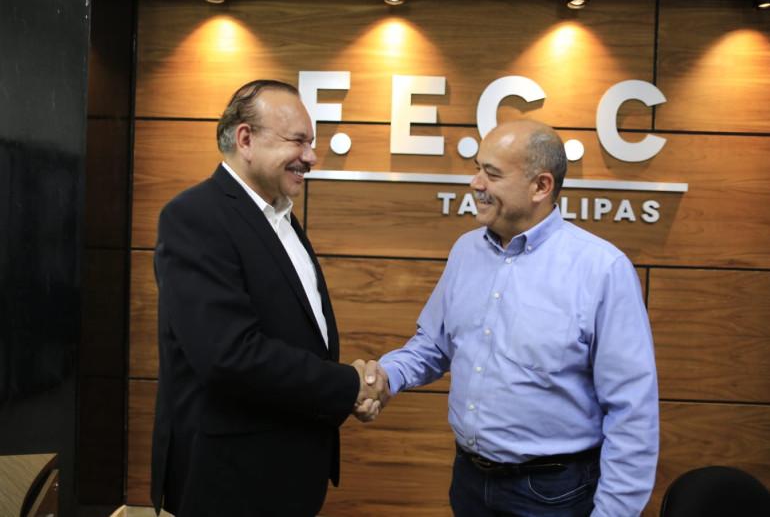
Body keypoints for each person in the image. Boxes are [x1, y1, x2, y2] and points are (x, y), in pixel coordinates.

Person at [371, 119, 659, 516]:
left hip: (553, 494)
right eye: (477, 168)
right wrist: (384, 378)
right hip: (470, 482)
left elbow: (632, 411)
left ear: (540, 186)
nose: (475, 183)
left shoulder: (602, 269)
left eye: (492, 174)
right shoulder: (466, 251)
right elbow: (433, 346)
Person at [151, 80, 387, 517]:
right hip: (229, 480)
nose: (311, 157)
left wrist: (345, 390)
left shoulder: (280, 217)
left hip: (285, 473)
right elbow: (229, 355)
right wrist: (347, 386)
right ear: (246, 139)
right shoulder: (195, 217)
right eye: (298, 141)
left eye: (311, 143)